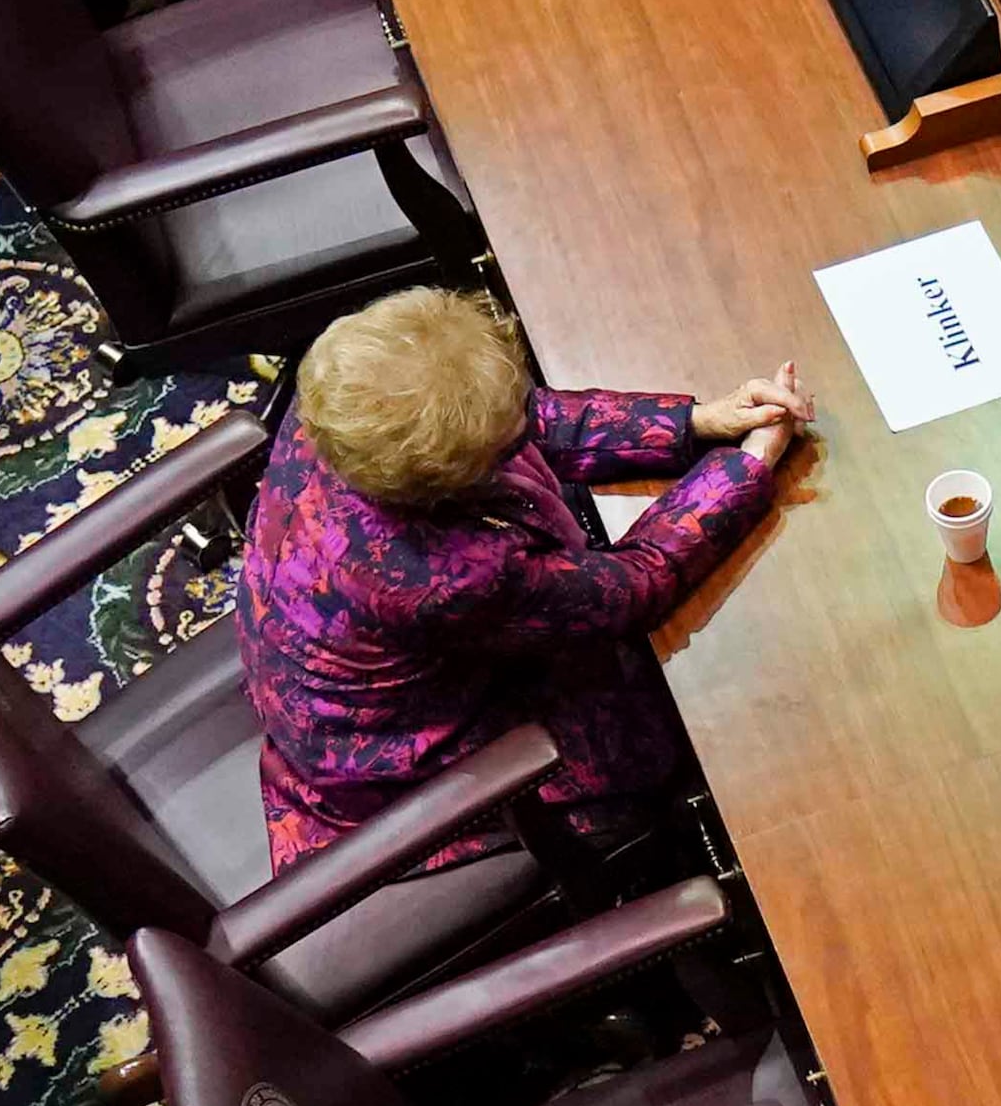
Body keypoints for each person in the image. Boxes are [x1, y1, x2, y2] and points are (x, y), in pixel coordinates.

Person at [234, 286, 806, 873]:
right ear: (454, 477)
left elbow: (519, 418)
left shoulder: (345, 408)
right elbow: (633, 588)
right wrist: (747, 465)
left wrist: (696, 420)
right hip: (391, 765)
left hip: (317, 672)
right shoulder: (439, 571)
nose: (527, 425)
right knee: (717, 720)